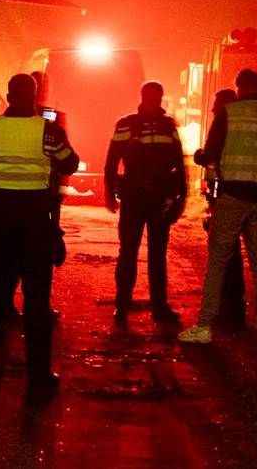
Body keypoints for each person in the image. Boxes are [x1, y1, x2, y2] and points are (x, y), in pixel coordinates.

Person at [0, 73, 79, 389]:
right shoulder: (48, 131)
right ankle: (39, 375)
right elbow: (70, 163)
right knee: (36, 299)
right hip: (33, 221)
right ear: (34, 95)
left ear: (8, 96)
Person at [180, 69, 257, 347]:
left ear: (238, 88)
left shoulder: (228, 115)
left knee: (217, 263)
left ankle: (204, 326)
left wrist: (198, 156)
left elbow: (209, 155)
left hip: (232, 198)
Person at [104, 80, 187, 330]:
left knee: (158, 254)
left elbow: (179, 162)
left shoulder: (168, 124)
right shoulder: (126, 123)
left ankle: (160, 308)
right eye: (149, 98)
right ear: (142, 98)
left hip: (160, 197)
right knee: (128, 252)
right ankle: (122, 305)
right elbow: (111, 159)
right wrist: (108, 192)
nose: (153, 102)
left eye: (156, 98)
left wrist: (181, 196)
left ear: (161, 98)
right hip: (134, 196)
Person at [195, 89, 246, 331]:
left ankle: (228, 308)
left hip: (225, 196)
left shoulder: (224, 122)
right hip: (244, 195)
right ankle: (235, 309)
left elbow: (210, 155)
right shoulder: (245, 123)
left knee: (226, 254)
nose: (214, 110)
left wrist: (199, 156)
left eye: (217, 105)